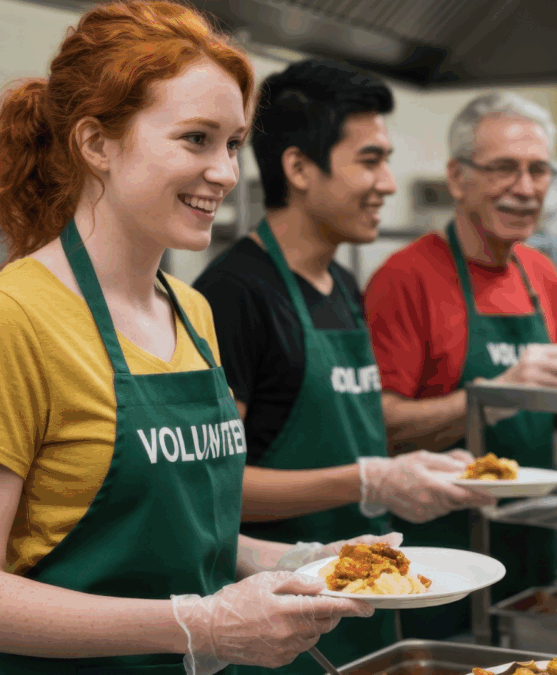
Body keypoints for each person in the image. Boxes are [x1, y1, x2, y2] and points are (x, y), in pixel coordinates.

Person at [0, 3, 382, 674]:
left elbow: (191, 539)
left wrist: (300, 561)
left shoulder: (192, 309)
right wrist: (197, 622)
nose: (224, 171)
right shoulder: (6, 320)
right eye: (195, 138)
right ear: (95, 143)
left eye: (231, 143)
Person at [192, 61, 494, 671]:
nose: (387, 181)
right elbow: (215, 491)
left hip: (360, 611)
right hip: (277, 632)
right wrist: (368, 480)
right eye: (370, 160)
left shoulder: (342, 285)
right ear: (300, 168)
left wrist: (412, 470)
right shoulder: (235, 295)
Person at [364, 91, 557, 639]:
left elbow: (552, 410)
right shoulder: (405, 278)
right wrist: (493, 394)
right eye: (504, 169)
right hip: (442, 559)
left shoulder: (541, 274)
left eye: (539, 170)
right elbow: (378, 425)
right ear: (458, 177)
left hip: (533, 541)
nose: (526, 187)